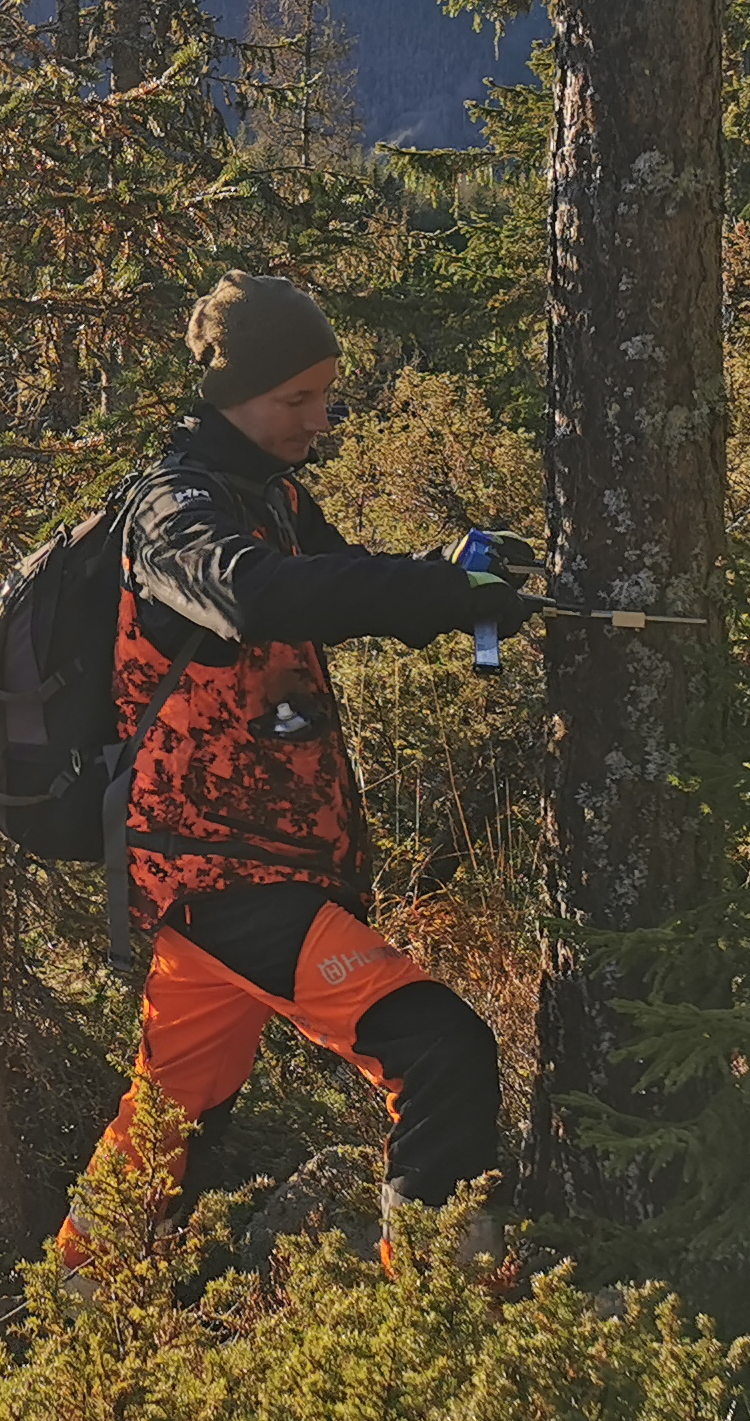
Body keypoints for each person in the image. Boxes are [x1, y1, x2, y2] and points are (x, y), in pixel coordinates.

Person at [52, 269, 536, 1268]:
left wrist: (463, 578)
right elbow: (256, 597)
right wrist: (434, 592)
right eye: (297, 400)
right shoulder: (173, 513)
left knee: (166, 1125)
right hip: (226, 874)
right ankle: (443, 1319)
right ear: (231, 394)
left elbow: (336, 587)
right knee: (441, 1050)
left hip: (230, 879)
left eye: (326, 395)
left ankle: (80, 1318)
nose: (320, 420)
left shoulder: (269, 496)